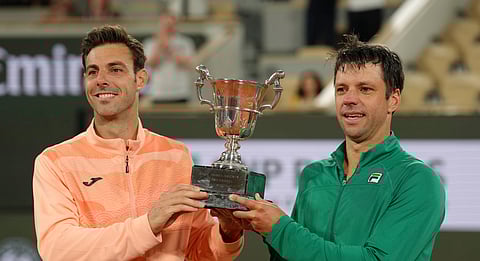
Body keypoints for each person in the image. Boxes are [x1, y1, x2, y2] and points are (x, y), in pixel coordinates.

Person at [32, 25, 244, 261]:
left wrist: (228, 232)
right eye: (93, 72)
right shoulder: (55, 162)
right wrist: (149, 224)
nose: (101, 80)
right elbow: (58, 250)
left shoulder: (176, 155)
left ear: (140, 79)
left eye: (115, 70)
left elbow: (199, 252)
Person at [230, 34, 446, 260]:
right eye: (342, 89)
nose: (349, 99)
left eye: (365, 89)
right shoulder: (314, 175)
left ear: (393, 99)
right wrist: (237, 228)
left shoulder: (416, 180)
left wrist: (281, 229)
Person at [142, 15, 195, 104]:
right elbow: (150, 64)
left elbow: (188, 64)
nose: (168, 27)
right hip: (158, 92)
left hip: (180, 92)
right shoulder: (150, 43)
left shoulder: (185, 42)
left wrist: (169, 48)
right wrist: (159, 47)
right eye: (165, 25)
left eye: (170, 24)